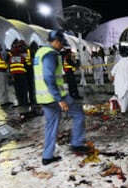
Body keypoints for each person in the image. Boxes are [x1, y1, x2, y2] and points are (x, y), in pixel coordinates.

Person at [33, 30, 89, 166]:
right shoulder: (50, 54)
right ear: (56, 42)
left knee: (51, 125)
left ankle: (47, 156)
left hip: (43, 97)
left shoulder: (40, 52)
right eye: (61, 44)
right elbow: (48, 77)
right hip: (54, 96)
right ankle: (76, 143)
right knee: (79, 115)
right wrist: (60, 99)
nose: (62, 47)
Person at [109, 50, 128, 115]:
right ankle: (123, 112)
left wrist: (113, 81)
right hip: (125, 84)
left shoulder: (119, 62)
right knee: (125, 99)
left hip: (118, 84)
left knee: (121, 98)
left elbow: (112, 73)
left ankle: (122, 109)